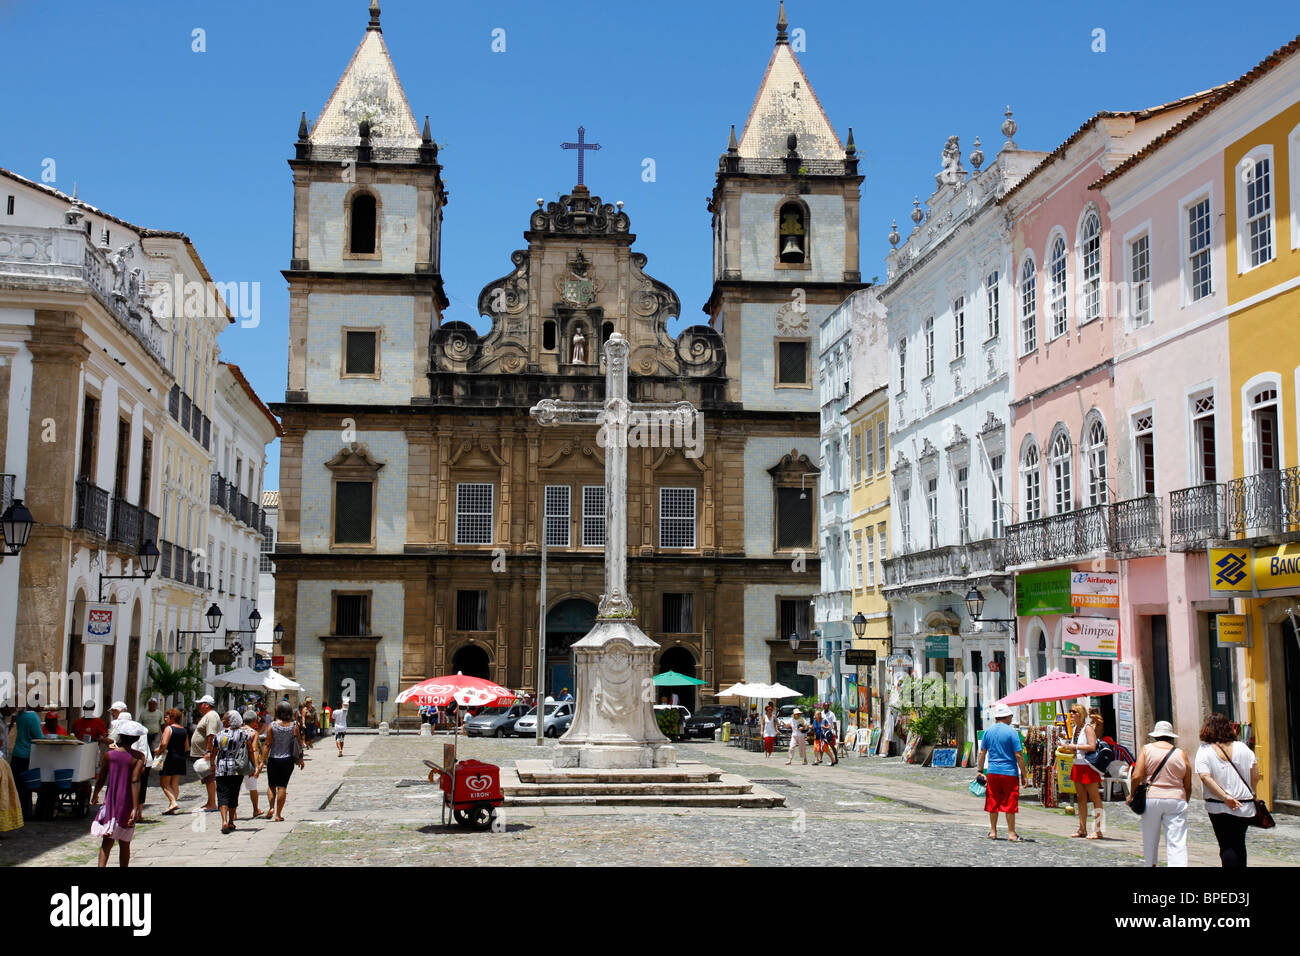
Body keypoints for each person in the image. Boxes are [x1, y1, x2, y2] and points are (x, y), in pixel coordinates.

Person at [1195, 712, 1260, 868]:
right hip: (1244, 803)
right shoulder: (1243, 748)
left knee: (1226, 844)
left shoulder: (1204, 750)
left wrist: (1225, 797)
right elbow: (1255, 775)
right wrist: (1252, 792)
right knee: (1239, 843)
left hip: (1219, 805)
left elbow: (1205, 777)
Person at [1128, 720, 1191, 867]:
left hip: (1152, 797)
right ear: (1170, 736)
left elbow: (1136, 775)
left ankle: (1151, 864)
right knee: (1177, 840)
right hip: (1176, 798)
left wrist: (1131, 794)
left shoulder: (1147, 749)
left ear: (1155, 735)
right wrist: (1185, 800)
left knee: (1150, 837)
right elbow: (1187, 784)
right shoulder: (1181, 754)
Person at [90, 728, 145, 867]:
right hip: (127, 802)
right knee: (125, 843)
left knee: (106, 842)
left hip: (111, 802)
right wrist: (134, 807)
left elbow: (102, 778)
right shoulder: (138, 757)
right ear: (136, 739)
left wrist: (95, 794)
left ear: (120, 736)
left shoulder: (110, 755)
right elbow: (135, 781)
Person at [977, 703, 1029, 841]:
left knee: (992, 800)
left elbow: (982, 753)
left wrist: (980, 770)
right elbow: (1018, 755)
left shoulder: (988, 732)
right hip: (1009, 772)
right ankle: (1011, 833)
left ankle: (993, 831)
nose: (1011, 719)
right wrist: (1024, 774)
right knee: (1010, 801)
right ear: (1006, 717)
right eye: (1011, 716)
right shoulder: (1012, 732)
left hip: (993, 772)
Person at [1060, 702, 1104, 839]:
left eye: (1074, 712)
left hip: (1088, 766)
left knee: (1095, 798)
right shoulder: (1074, 730)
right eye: (1070, 711)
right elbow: (1077, 748)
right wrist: (1068, 747)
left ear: (1081, 714)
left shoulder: (1088, 728)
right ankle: (1082, 828)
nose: (1071, 714)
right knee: (1081, 798)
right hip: (1078, 764)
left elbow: (1092, 746)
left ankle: (1098, 829)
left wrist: (1075, 746)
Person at [208, 710, 254, 834]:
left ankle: (224, 820)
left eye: (224, 719)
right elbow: (250, 750)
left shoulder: (220, 735)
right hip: (237, 768)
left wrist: (212, 764)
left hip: (222, 768)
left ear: (229, 721)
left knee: (222, 794)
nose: (222, 721)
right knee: (234, 793)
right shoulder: (244, 734)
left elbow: (214, 751)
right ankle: (231, 821)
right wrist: (253, 765)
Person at [261, 701, 304, 822]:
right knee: (282, 786)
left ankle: (271, 808)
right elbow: (299, 744)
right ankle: (278, 814)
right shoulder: (294, 726)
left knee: (271, 785)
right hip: (288, 759)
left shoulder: (272, 726)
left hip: (273, 758)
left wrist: (262, 760)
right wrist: (301, 759)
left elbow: (267, 744)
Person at [11, 701, 43, 819]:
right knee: (26, 787)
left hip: (17, 753)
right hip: (27, 754)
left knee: (17, 785)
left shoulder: (21, 715)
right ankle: (25, 813)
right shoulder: (33, 716)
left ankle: (16, 812)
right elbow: (38, 737)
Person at [153, 708, 188, 814]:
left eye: (167, 716)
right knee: (174, 783)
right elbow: (186, 747)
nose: (165, 718)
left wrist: (158, 750)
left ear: (173, 718)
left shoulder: (169, 729)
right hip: (180, 758)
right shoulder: (184, 730)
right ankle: (172, 807)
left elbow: (164, 743)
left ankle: (173, 802)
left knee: (164, 783)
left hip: (170, 757)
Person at [190, 695, 222, 812]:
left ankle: (212, 803)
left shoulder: (212, 716)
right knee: (207, 778)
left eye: (201, 703)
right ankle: (210, 802)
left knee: (209, 778)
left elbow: (211, 735)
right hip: (201, 752)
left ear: (207, 705)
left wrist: (209, 751)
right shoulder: (208, 716)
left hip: (205, 752)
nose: (199, 706)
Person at [241, 710, 265, 819]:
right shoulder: (253, 733)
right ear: (255, 720)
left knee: (235, 788)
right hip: (248, 763)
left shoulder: (237, 730)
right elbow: (254, 750)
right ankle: (255, 809)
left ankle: (234, 813)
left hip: (236, 763)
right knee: (253, 788)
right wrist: (256, 766)